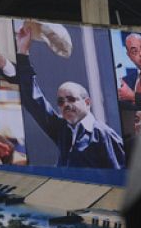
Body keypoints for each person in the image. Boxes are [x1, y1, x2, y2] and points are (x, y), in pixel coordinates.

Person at [15, 24, 125, 169]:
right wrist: (22, 52)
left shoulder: (103, 134)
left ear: (87, 102)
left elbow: (119, 177)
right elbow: (33, 100)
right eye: (60, 102)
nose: (65, 104)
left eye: (72, 99)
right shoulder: (63, 130)